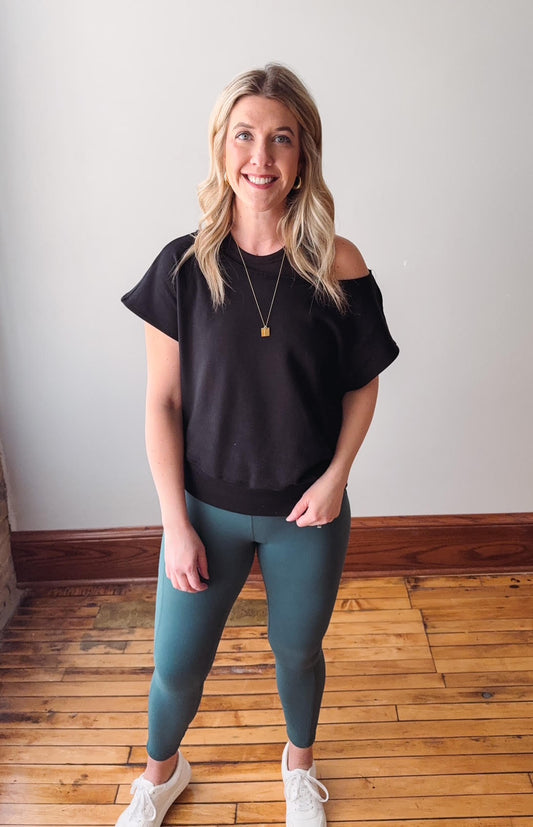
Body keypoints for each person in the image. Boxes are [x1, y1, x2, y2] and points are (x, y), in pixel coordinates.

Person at [117, 63, 399, 827]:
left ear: (303, 152)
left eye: (280, 138)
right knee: (176, 667)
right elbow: (162, 402)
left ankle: (298, 768)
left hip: (305, 513)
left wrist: (338, 475)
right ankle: (160, 776)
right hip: (205, 511)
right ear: (221, 146)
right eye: (244, 135)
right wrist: (175, 522)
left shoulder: (337, 261)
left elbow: (361, 382)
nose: (261, 157)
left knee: (296, 654)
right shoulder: (181, 266)